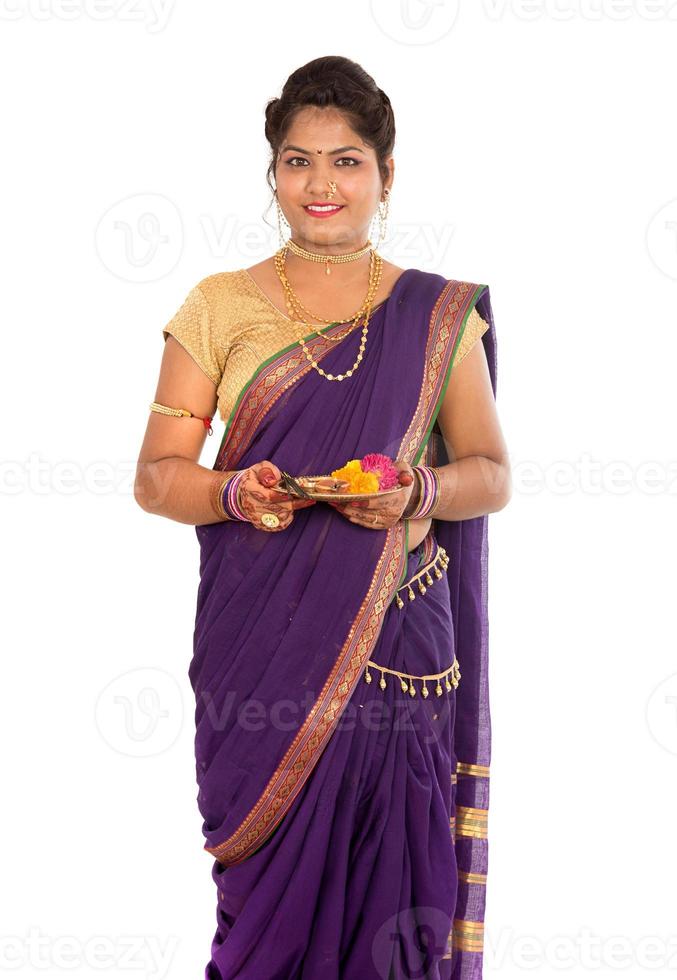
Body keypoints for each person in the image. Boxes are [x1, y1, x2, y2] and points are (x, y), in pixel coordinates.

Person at [135, 55, 511, 980]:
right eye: (299, 160)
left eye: (346, 161)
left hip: (395, 644)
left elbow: (490, 473)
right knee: (268, 906)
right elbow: (155, 478)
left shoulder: (435, 315)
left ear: (386, 176)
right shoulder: (218, 305)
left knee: (393, 883)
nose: (320, 183)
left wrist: (415, 494)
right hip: (259, 639)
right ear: (272, 173)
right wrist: (232, 491)